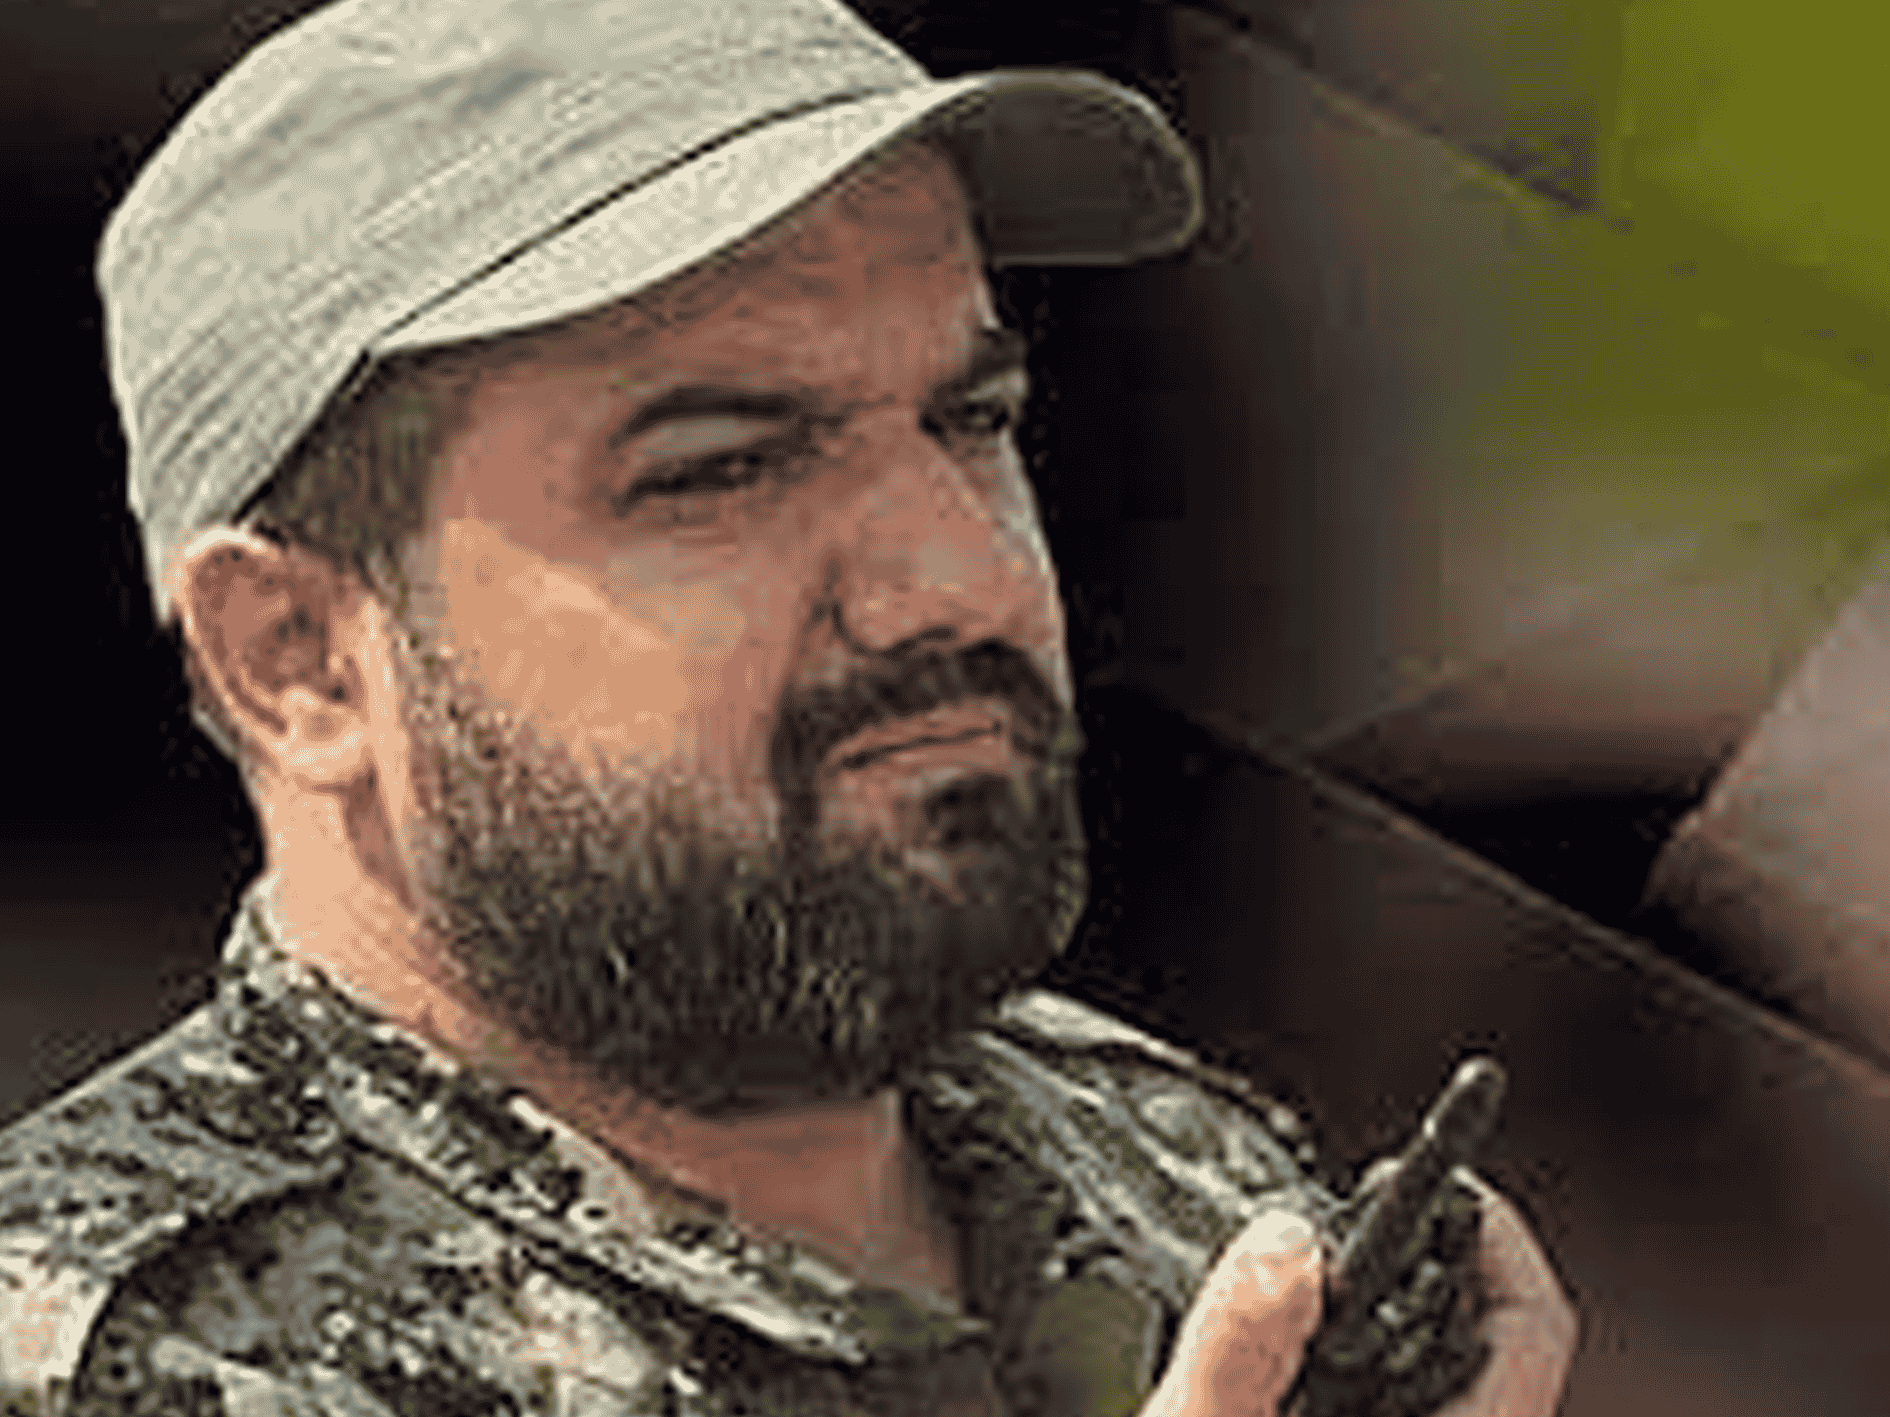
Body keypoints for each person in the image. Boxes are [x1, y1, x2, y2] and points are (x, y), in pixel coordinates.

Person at [1, 1, 1576, 1413]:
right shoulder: (103, 1352)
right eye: (724, 469)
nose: (959, 579)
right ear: (298, 657)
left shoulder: (1169, 1155)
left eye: (972, 418)